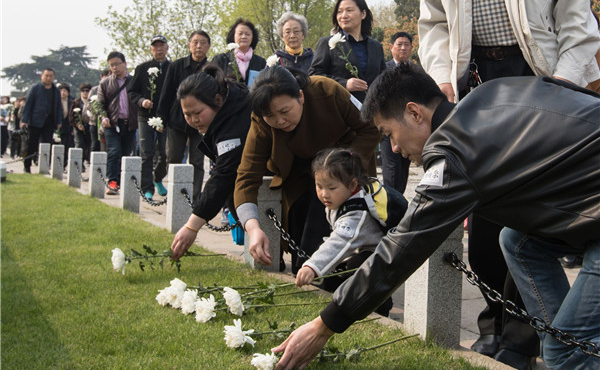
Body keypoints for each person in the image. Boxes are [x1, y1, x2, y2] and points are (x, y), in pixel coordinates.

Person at [270, 63, 600, 370]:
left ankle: (572, 348)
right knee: (516, 241)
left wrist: (325, 324)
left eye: (388, 134)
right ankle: (574, 340)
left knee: (562, 352)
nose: (394, 149)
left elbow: (402, 246)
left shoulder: (454, 153)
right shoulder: (486, 95)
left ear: (414, 113)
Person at [418, 2, 600, 368]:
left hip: (543, 72)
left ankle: (526, 340)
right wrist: (441, 76)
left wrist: (558, 88)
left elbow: (576, 25)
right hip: (475, 78)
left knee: (532, 218)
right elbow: (435, 23)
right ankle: (500, 324)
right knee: (495, 234)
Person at [235, 66, 380, 274]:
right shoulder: (261, 120)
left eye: (285, 111)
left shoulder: (327, 90)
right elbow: (247, 176)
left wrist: (340, 164)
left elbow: (371, 127)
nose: (279, 121)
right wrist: (253, 228)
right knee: (297, 217)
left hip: (342, 165)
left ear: (300, 96)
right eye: (270, 116)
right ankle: (303, 269)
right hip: (297, 174)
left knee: (331, 212)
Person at [295, 147, 397, 315]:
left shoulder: (357, 213)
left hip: (382, 257)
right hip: (365, 250)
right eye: (319, 186)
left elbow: (339, 242)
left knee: (360, 269)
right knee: (339, 272)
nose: (324, 194)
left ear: (353, 185)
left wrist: (312, 267)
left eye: (331, 188)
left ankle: (379, 309)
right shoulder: (341, 200)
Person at [170, 64, 252, 259]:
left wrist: (192, 226)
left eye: (198, 113)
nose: (193, 120)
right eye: (187, 115)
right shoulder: (227, 107)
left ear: (217, 100)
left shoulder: (237, 120)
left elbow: (223, 176)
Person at [158, 30, 210, 202]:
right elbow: (166, 94)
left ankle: (193, 198)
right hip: (177, 121)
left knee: (197, 161)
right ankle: (175, 195)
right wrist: (161, 119)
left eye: (203, 42)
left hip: (201, 124)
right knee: (173, 157)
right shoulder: (176, 66)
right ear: (189, 45)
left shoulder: (211, 68)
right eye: (195, 42)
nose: (199, 46)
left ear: (208, 46)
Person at [309, 0, 386, 104]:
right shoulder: (327, 43)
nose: (343, 16)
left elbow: (384, 78)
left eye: (349, 10)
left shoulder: (376, 47)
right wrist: (344, 84)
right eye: (339, 12)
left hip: (373, 111)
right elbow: (314, 76)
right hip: (339, 109)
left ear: (363, 14)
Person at [128, 35, 171, 200]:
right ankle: (147, 188)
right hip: (145, 116)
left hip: (166, 117)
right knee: (146, 153)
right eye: (155, 46)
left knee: (166, 153)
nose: (159, 49)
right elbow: (131, 91)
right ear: (151, 49)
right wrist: (142, 101)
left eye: (162, 46)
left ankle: (157, 178)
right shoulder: (142, 68)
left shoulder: (172, 68)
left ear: (167, 48)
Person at [98, 51, 138, 195]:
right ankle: (112, 183)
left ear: (125, 64)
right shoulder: (105, 83)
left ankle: (123, 182)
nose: (114, 68)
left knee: (126, 154)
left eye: (117, 64)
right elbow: (100, 104)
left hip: (130, 124)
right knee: (114, 152)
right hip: (112, 124)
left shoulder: (134, 81)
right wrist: (104, 117)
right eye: (111, 65)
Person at [380, 31, 414, 194]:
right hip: (389, 129)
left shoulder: (417, 71)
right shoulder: (383, 69)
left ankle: (399, 203)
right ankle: (391, 205)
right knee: (391, 170)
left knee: (403, 168)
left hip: (409, 128)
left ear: (412, 48)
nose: (403, 48)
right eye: (399, 44)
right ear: (391, 47)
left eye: (406, 44)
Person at [20, 67, 63, 173]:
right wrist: (24, 120)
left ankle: (44, 166)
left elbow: (58, 107)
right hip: (35, 121)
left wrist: (59, 121)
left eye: (50, 76)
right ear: (42, 76)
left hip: (49, 121)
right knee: (31, 144)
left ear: (54, 77)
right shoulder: (35, 88)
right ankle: (27, 166)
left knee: (47, 144)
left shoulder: (56, 90)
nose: (48, 78)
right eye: (46, 76)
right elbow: (28, 104)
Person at [211, 19, 266, 85]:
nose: (244, 37)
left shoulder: (261, 62)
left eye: (247, 34)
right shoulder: (221, 59)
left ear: (253, 37)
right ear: (233, 36)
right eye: (240, 34)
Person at [85, 69, 110, 153]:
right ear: (101, 78)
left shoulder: (112, 89)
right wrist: (98, 110)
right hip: (94, 121)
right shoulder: (94, 89)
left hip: (107, 121)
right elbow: (88, 104)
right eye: (105, 77)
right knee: (95, 143)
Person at [69, 83, 92, 168]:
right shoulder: (76, 102)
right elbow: (71, 116)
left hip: (89, 126)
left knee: (89, 145)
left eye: (87, 91)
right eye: (83, 91)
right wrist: (77, 124)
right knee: (79, 144)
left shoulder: (93, 102)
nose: (85, 93)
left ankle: (88, 160)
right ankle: (79, 164)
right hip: (78, 127)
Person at [58, 83, 73, 168]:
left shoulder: (71, 102)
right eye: (61, 91)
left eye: (64, 91)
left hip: (68, 127)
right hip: (58, 126)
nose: (62, 93)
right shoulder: (56, 101)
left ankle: (63, 164)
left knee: (67, 145)